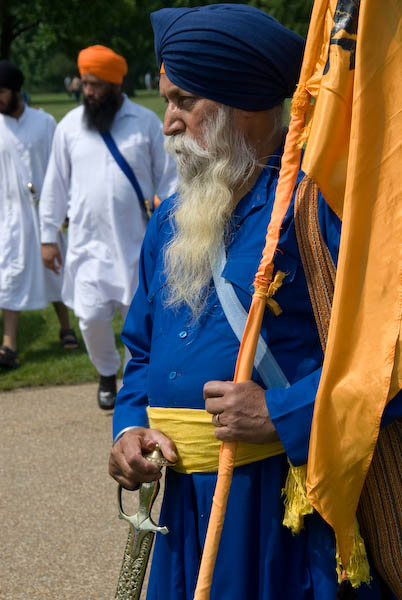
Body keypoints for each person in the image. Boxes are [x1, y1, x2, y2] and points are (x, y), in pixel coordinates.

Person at [108, 5, 402, 600]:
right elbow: (140, 349)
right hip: (182, 509)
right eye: (167, 101)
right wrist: (130, 427)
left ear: (242, 101)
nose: (167, 123)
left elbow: (389, 354)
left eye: (184, 101)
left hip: (282, 514)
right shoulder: (169, 218)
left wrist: (284, 412)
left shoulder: (324, 209)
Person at [40, 45, 177, 409]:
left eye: (96, 84)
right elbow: (54, 185)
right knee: (89, 319)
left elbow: (170, 180)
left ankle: (135, 386)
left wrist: (172, 228)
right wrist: (48, 237)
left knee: (140, 325)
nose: (88, 92)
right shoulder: (69, 126)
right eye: (85, 83)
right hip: (86, 247)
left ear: (117, 84)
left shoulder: (145, 123)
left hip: (136, 246)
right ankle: (105, 372)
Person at [0, 60, 78, 370]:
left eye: (2, 91)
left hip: (45, 213)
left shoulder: (44, 123)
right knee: (11, 274)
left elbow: (61, 167)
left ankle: (66, 327)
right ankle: (9, 345)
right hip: (10, 217)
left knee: (54, 270)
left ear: (16, 90)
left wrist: (64, 207)